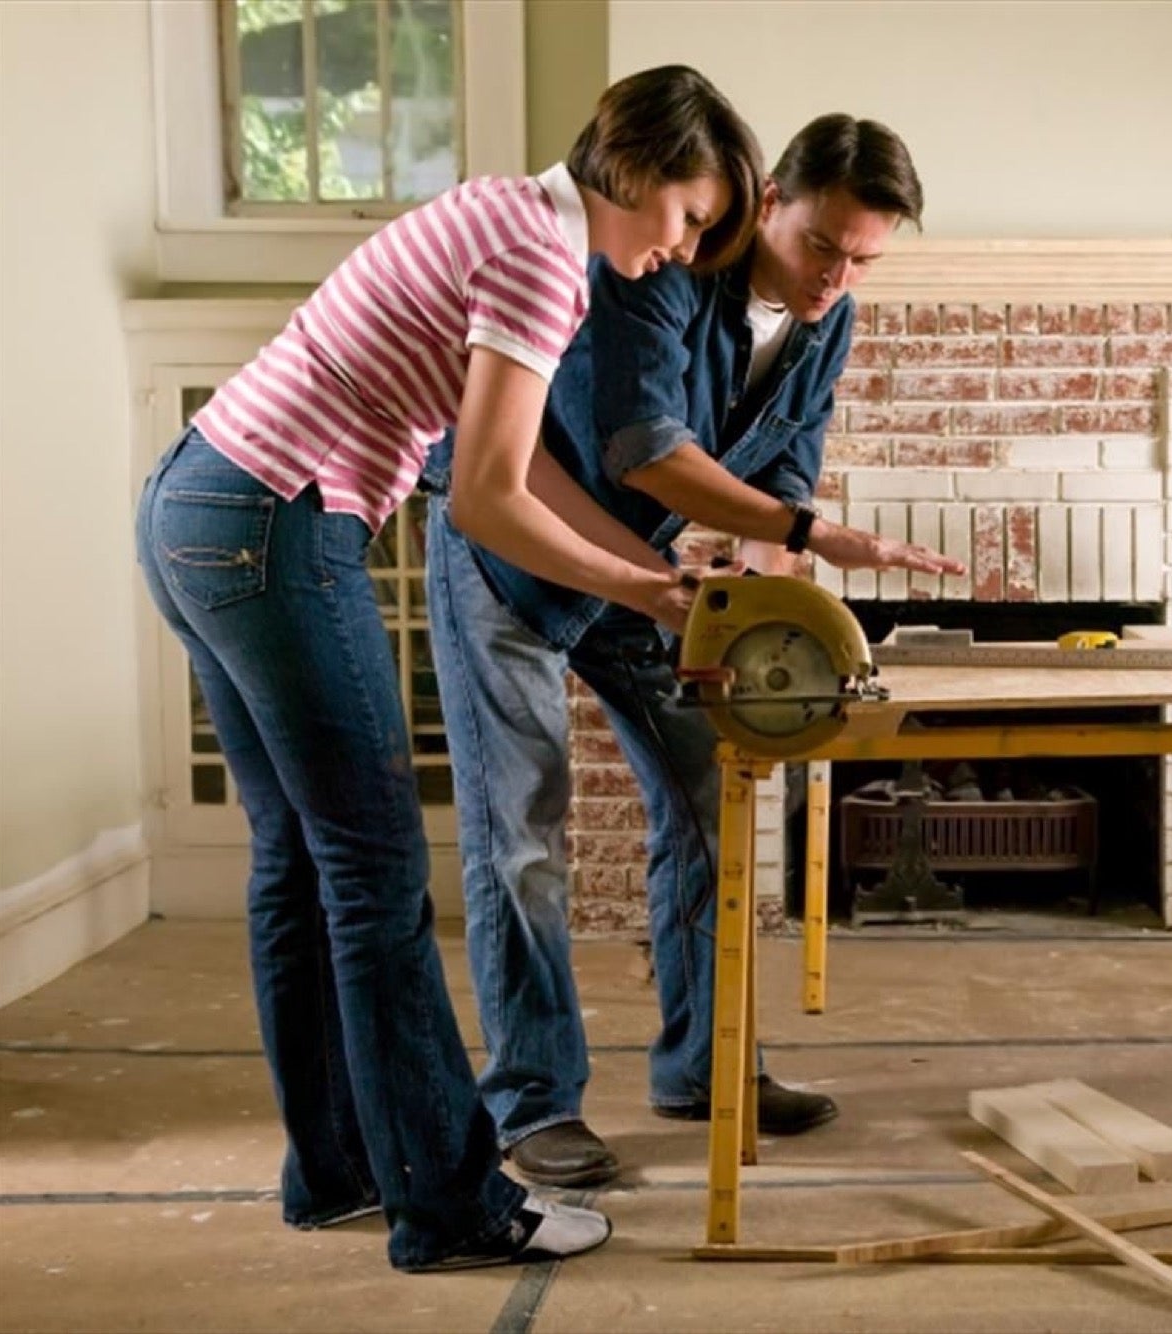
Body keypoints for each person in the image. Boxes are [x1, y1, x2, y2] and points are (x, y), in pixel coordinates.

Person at [132, 66, 761, 1272]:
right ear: (631, 166)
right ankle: (455, 1204)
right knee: (372, 872)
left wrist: (631, 570)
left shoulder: (499, 211)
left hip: (195, 500)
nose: (679, 253)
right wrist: (639, 581)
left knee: (302, 864)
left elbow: (488, 477)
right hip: (275, 522)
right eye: (687, 218)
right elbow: (484, 496)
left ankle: (338, 1171)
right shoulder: (540, 257)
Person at [425, 115, 953, 1188]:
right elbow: (647, 450)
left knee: (714, 798)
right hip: (512, 545)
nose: (832, 278)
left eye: (861, 260)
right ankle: (532, 1106)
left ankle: (706, 1068)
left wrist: (773, 614)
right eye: (820, 247)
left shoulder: (824, 322)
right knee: (521, 831)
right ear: (770, 205)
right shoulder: (660, 269)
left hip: (646, 570)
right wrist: (817, 537)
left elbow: (779, 494)